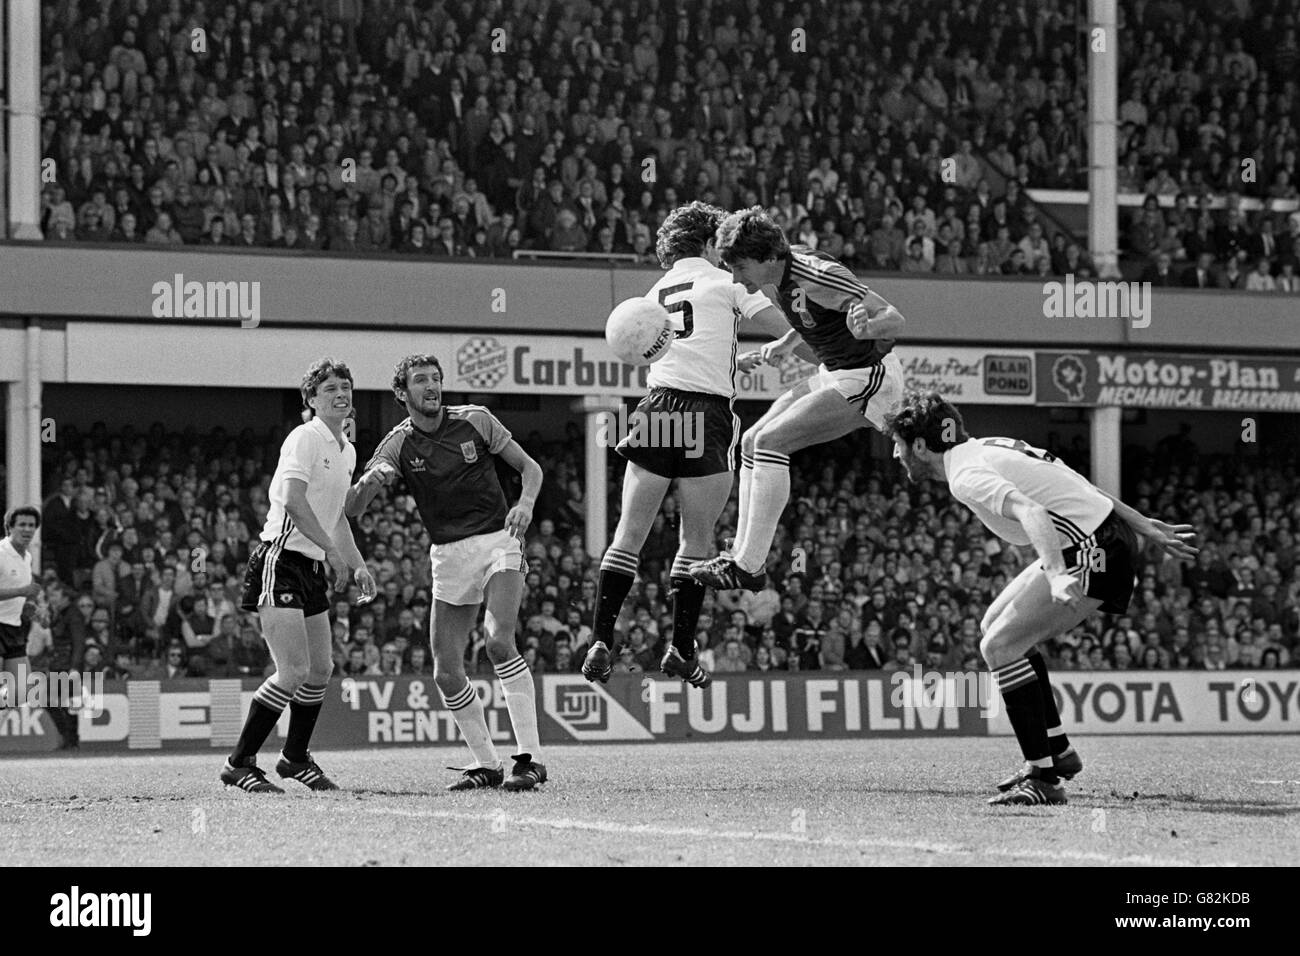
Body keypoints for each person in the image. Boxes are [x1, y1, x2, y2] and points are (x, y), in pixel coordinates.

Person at [884, 390, 1198, 805]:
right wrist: (1140, 523)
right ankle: (1059, 751)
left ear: (920, 446)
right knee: (991, 628)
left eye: (899, 444)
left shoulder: (965, 476)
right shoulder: (985, 447)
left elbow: (1031, 510)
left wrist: (1056, 575)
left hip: (1094, 551)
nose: (895, 454)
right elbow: (1074, 483)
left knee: (999, 645)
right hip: (1096, 539)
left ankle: (1044, 777)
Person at [580, 202, 787, 687]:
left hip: (657, 408)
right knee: (695, 542)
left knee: (627, 536)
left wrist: (735, 361)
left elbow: (681, 347)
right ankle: (680, 648)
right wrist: (780, 348)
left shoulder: (653, 292)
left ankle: (600, 638)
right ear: (712, 243)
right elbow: (782, 325)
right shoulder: (727, 282)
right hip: (708, 414)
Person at [346, 353, 547, 792]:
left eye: (436, 379)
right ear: (402, 394)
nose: (432, 386)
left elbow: (531, 470)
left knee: (497, 640)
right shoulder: (396, 444)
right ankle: (486, 764)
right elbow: (354, 509)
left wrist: (525, 503)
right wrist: (369, 484)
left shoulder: (476, 419)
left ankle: (531, 760)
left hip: (499, 540)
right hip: (448, 556)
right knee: (446, 671)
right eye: (421, 381)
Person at [691, 206, 906, 591]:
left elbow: (895, 318)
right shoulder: (778, 274)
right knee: (752, 442)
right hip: (835, 372)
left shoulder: (818, 275)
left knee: (773, 443)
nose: (735, 277)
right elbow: (812, 319)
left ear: (769, 258)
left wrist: (868, 326)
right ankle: (740, 556)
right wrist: (785, 343)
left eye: (740, 268)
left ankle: (749, 566)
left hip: (871, 376)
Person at [220, 358, 376, 794]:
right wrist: (329, 552)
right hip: (280, 559)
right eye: (330, 389)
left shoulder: (347, 450)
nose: (341, 394)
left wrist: (357, 562)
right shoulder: (305, 438)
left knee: (321, 668)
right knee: (292, 670)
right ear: (311, 400)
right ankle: (239, 762)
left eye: (346, 387)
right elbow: (291, 499)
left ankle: (293, 758)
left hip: (308, 567)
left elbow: (337, 518)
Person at [0, 507, 44, 708]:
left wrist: (29, 607)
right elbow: (20, 590)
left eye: (32, 525)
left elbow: (21, 594)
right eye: (22, 525)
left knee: (20, 692)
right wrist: (21, 591)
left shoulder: (27, 558)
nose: (27, 529)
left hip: (13, 627)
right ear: (9, 527)